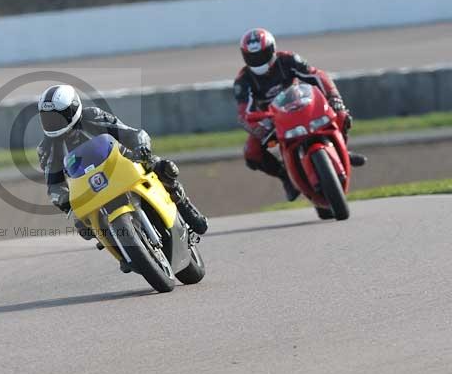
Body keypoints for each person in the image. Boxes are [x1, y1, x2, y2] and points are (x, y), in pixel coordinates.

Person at [36, 84, 208, 250]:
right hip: (88, 187)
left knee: (163, 167)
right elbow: (54, 186)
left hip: (122, 162)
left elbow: (130, 133)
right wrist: (67, 204)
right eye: (48, 118)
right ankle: (123, 248)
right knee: (82, 225)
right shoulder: (46, 148)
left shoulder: (93, 116)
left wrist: (141, 148)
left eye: (57, 117)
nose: (53, 123)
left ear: (73, 109)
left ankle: (187, 209)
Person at [234, 28, 366, 201]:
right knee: (251, 153)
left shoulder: (288, 59)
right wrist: (259, 129)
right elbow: (244, 113)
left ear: (272, 49)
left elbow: (317, 75)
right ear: (245, 57)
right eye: (252, 57)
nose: (258, 61)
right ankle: (286, 177)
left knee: (341, 116)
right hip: (271, 118)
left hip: (302, 104)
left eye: (262, 54)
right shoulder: (243, 81)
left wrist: (334, 98)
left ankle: (343, 151)